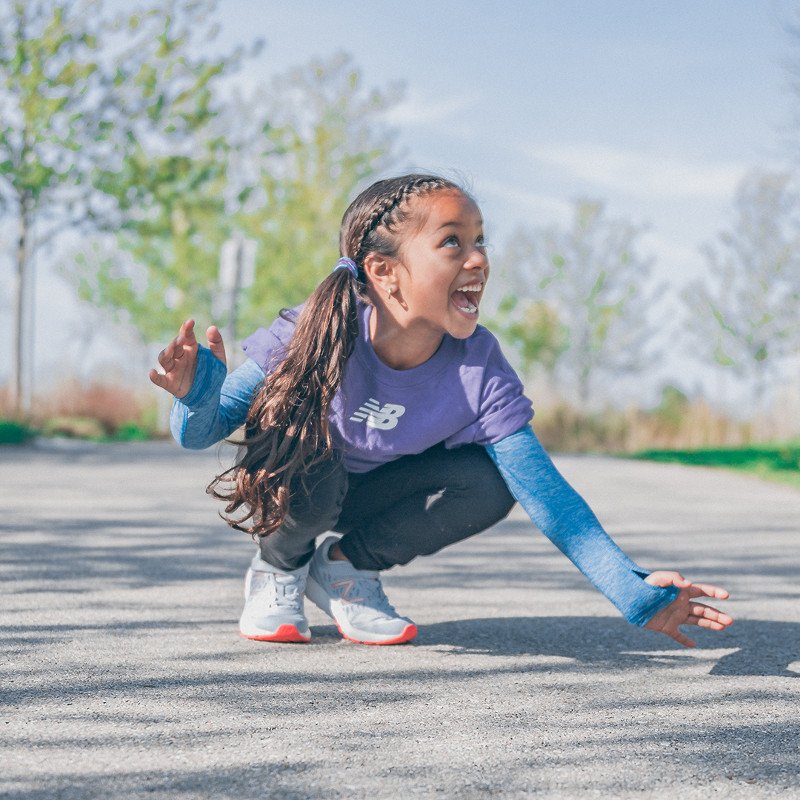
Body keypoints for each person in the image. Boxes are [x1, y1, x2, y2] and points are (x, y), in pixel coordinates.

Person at [149, 173, 733, 648]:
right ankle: (279, 569)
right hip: (299, 486)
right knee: (314, 457)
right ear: (384, 271)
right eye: (453, 242)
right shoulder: (316, 330)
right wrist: (196, 395)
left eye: (481, 242)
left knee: (491, 481)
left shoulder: (479, 368)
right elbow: (202, 432)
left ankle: (345, 566)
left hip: (372, 497)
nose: (478, 260)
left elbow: (548, 496)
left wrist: (634, 593)